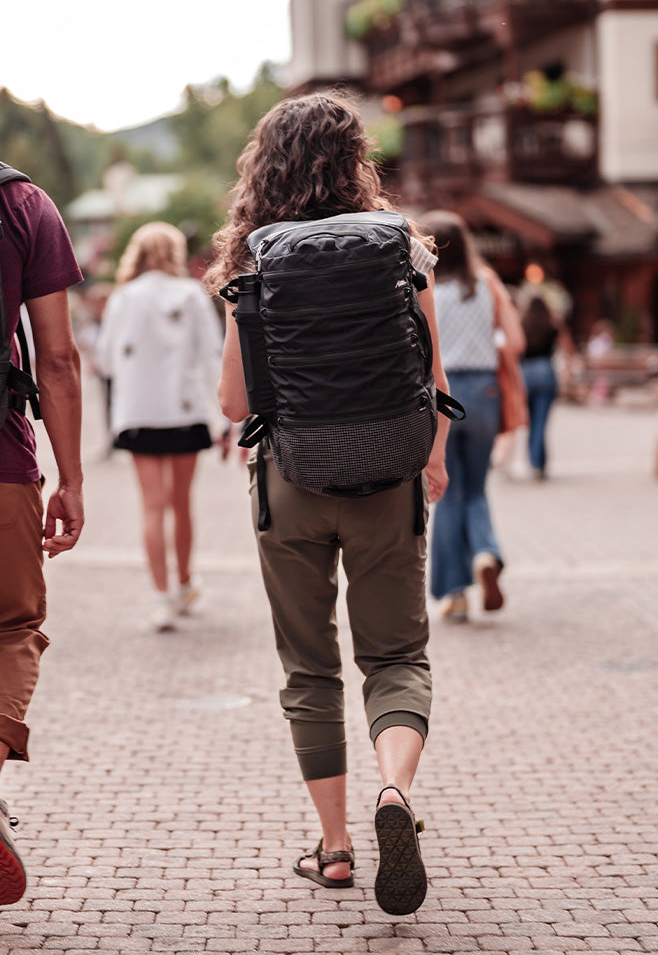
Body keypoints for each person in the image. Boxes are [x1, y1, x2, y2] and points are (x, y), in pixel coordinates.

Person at [206, 91, 451, 917]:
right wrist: (432, 462)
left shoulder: (254, 263)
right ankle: (395, 793)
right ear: (356, 161)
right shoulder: (400, 248)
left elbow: (237, 401)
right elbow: (434, 378)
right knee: (397, 659)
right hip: (389, 474)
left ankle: (337, 850)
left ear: (264, 166)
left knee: (310, 671)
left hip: (290, 480)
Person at [0, 168, 85, 906]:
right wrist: (73, 479)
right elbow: (57, 357)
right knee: (12, 626)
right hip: (1, 465)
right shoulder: (22, 203)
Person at [96, 222, 223, 632]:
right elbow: (212, 356)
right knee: (181, 504)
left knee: (151, 506)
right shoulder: (190, 294)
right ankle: (185, 583)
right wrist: (223, 421)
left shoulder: (123, 297)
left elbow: (107, 360)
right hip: (184, 409)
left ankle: (160, 597)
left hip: (138, 411)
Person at [419, 210, 525, 621]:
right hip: (484, 391)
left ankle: (455, 592)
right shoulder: (487, 285)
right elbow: (515, 341)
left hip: (442, 393)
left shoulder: (424, 287)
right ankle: (485, 552)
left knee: (446, 492)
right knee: (476, 489)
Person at [520, 294, 574, 479]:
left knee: (531, 421)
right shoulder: (552, 324)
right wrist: (567, 370)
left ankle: (535, 461)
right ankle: (538, 462)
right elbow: (568, 348)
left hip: (525, 372)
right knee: (541, 422)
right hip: (545, 370)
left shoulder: (522, 323)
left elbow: (513, 347)